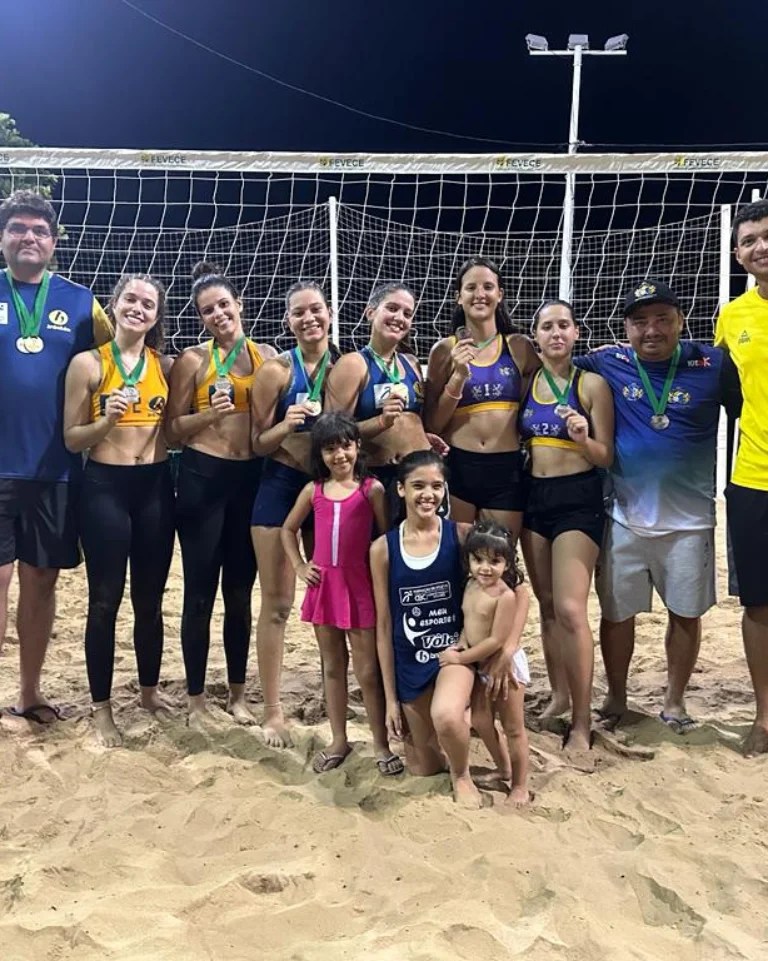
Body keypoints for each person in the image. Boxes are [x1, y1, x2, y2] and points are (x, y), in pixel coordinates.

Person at [574, 280, 723, 733]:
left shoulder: (714, 364)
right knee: (617, 613)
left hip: (691, 521)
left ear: (681, 320)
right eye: (640, 321)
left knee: (686, 614)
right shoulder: (608, 362)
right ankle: (617, 696)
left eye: (662, 319)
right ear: (625, 329)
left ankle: (674, 701)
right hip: (624, 517)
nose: (651, 330)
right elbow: (550, 361)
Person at [0, 189, 112, 724]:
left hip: (56, 471)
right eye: (18, 228)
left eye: (39, 230)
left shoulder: (83, 303)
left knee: (41, 580)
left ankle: (29, 692)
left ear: (53, 242)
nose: (29, 237)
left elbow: (122, 360)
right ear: (3, 238)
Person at [63, 275, 173, 746]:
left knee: (150, 602)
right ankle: (102, 708)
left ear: (156, 316)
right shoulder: (88, 363)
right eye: (130, 299)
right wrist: (106, 420)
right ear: (114, 304)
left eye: (148, 304)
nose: (138, 308)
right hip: (105, 488)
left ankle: (148, 693)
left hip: (155, 488)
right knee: (104, 601)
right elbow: (72, 439)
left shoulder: (165, 365)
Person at [166, 262, 275, 728]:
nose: (218, 314)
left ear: (239, 305)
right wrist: (208, 415)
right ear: (201, 317)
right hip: (203, 479)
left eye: (224, 305)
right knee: (199, 593)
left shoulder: (268, 356)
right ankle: (195, 700)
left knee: (240, 594)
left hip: (250, 480)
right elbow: (172, 430)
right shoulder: (193, 360)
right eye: (208, 310)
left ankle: (237, 695)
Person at [281, 413, 403, 775]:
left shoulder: (371, 489)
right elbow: (287, 530)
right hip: (325, 588)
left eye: (345, 446)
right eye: (330, 449)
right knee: (333, 667)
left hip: (359, 587)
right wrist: (300, 566)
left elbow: (385, 537)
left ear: (357, 446)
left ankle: (380, 743)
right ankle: (339, 739)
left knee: (368, 670)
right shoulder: (314, 491)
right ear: (320, 454)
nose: (339, 455)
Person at [519, 301, 614, 753]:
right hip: (533, 498)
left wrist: (582, 439)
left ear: (576, 332)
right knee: (547, 604)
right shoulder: (527, 383)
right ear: (535, 335)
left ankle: (581, 721)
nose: (556, 333)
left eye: (563, 325)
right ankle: (559, 695)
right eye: (547, 326)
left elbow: (605, 456)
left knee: (572, 609)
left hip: (578, 499)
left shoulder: (591, 385)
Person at [371, 450, 490, 807]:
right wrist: (390, 700)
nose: (428, 494)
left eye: (437, 486)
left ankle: (462, 775)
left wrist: (503, 649)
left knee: (446, 716)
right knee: (423, 768)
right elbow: (384, 625)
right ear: (401, 489)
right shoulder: (383, 549)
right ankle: (458, 722)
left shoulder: (462, 535)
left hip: (453, 655)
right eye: (418, 486)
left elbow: (513, 590)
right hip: (411, 663)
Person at [251, 281, 337, 747]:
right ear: (288, 321)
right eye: (299, 313)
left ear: (329, 313)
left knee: (329, 598)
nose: (309, 319)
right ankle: (272, 711)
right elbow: (257, 443)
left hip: (327, 486)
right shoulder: (276, 371)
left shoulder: (345, 366)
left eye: (316, 310)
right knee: (278, 603)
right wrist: (286, 424)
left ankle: (333, 698)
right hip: (281, 482)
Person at [424, 256, 538, 539]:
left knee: (500, 557)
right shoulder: (443, 351)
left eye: (488, 287)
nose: (480, 294)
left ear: (500, 294)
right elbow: (433, 425)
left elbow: (550, 383)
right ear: (458, 297)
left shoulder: (519, 347)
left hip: (506, 469)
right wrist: (458, 376)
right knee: (458, 558)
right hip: (458, 467)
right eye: (471, 287)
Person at [715, 198, 768, 756]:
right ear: (737, 255)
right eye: (749, 240)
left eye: (766, 236)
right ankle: (764, 717)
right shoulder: (733, 317)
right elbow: (720, 387)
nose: (760, 247)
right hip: (753, 478)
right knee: (758, 603)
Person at [324, 282, 443, 522]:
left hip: (421, 477)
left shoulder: (411, 363)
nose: (399, 317)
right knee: (380, 546)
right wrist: (381, 422)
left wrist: (421, 435)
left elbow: (411, 419)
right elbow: (330, 434)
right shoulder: (353, 364)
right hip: (378, 478)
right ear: (370, 312)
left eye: (407, 313)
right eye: (392, 308)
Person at [438, 521, 531, 807]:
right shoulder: (469, 585)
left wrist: (460, 658)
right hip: (479, 665)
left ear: (507, 563)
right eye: (478, 560)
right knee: (480, 720)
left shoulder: (505, 596)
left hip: (504, 668)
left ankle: (520, 785)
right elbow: (468, 622)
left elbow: (496, 640)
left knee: (513, 727)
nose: (485, 568)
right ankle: (503, 768)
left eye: (495, 561)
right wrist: (462, 643)